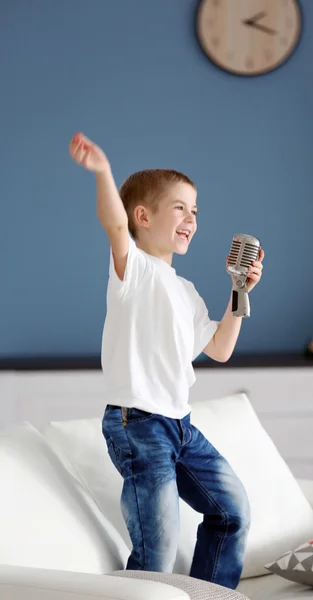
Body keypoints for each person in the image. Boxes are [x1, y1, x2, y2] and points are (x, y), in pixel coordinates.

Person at [68, 132, 264, 589]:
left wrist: (239, 293)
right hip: (137, 423)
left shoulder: (187, 292)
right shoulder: (132, 269)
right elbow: (114, 224)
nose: (191, 219)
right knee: (158, 550)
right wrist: (102, 171)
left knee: (232, 511)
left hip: (180, 424)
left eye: (195, 211)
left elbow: (220, 348)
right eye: (180, 208)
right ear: (143, 215)